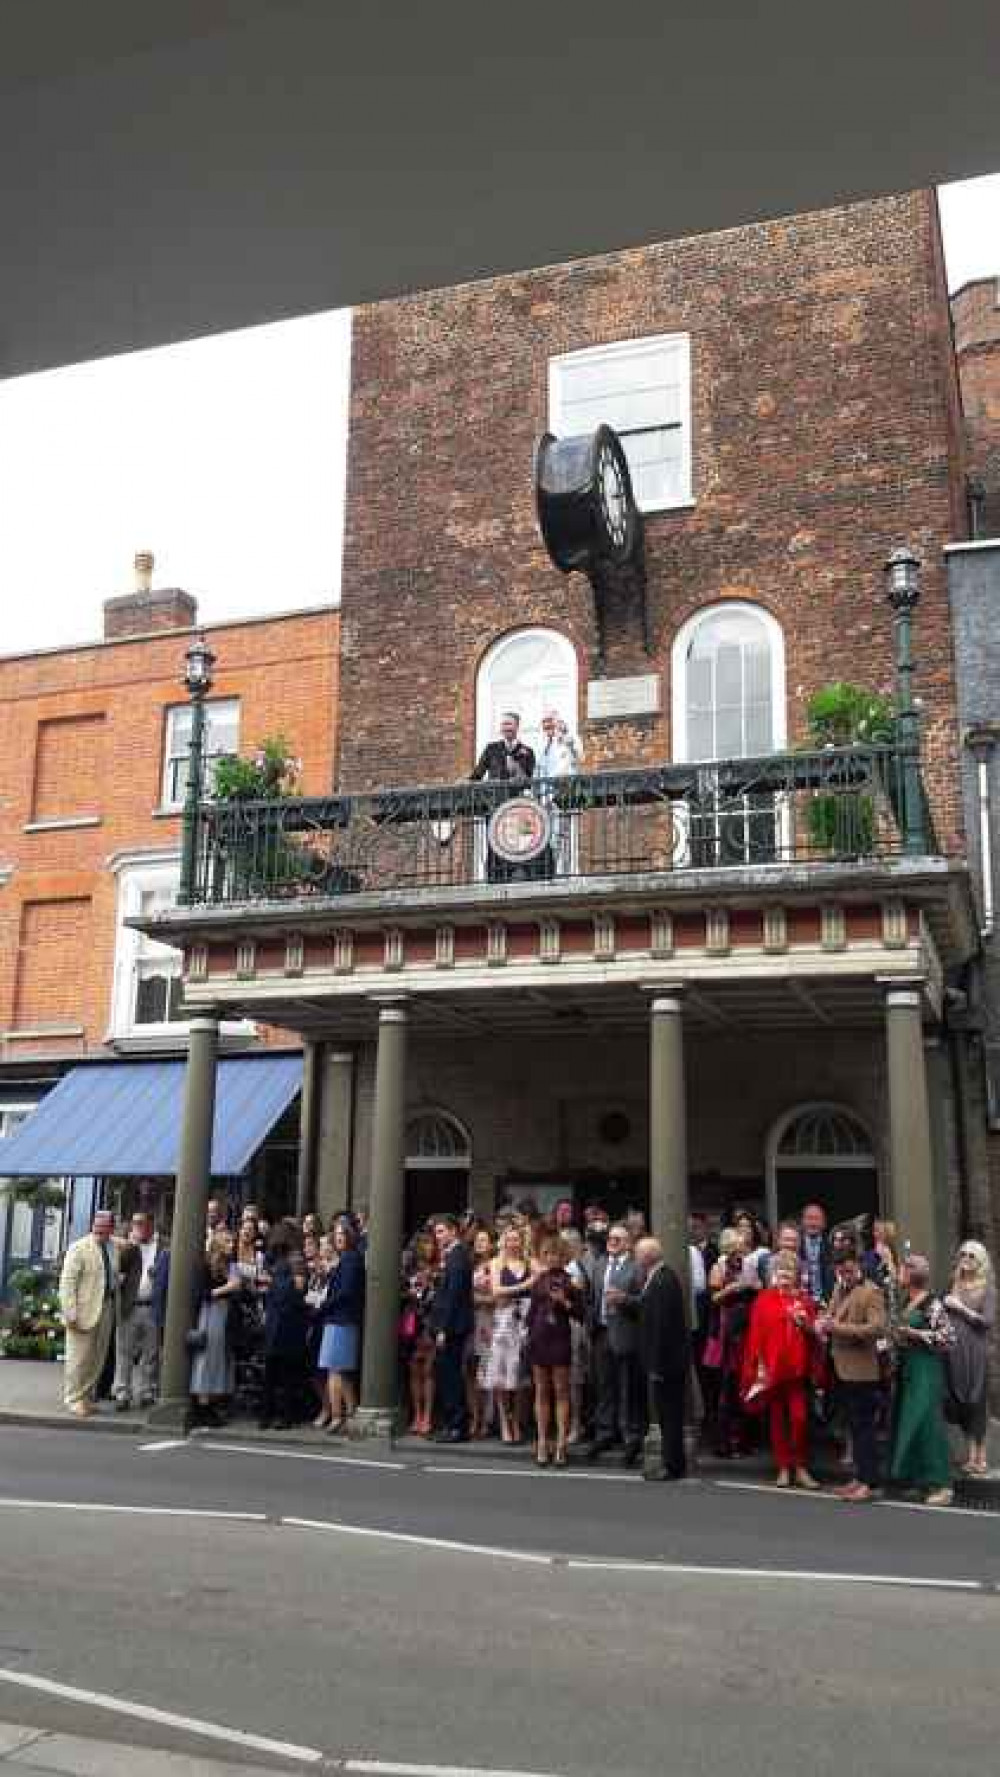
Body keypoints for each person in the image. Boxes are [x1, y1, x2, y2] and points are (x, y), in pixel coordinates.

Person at [817, 1234, 887, 1502]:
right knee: (855, 1428)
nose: (845, 1274)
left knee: (865, 1428)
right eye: (840, 1270)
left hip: (862, 1370)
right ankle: (859, 1478)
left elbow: (876, 1328)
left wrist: (838, 1328)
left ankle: (869, 1483)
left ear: (857, 1266)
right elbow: (832, 1315)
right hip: (842, 1366)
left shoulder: (871, 1291)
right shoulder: (839, 1289)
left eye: (849, 1269)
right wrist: (823, 1322)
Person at [743, 1250, 820, 1489]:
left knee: (798, 1418)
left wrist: (805, 1323)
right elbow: (755, 1337)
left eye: (789, 1273)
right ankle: (783, 1467)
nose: (785, 1277)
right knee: (777, 1420)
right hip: (773, 1371)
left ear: (797, 1276)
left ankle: (799, 1465)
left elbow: (815, 1336)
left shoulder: (805, 1301)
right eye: (781, 1272)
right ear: (774, 1275)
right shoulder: (763, 1300)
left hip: (796, 1371)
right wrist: (759, 1366)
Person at [888, 1253, 956, 1506]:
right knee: (911, 1424)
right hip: (909, 1370)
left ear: (911, 1275)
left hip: (927, 1370)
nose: (898, 1276)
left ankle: (942, 1485)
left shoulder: (931, 1303)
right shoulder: (907, 1300)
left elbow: (948, 1338)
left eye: (901, 1271)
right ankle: (921, 1481)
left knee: (928, 1426)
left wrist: (916, 1334)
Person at [587, 1222, 645, 1465]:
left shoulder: (636, 1268)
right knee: (605, 1385)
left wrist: (625, 1299)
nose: (612, 1241)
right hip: (601, 1332)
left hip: (626, 1332)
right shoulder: (599, 1265)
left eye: (618, 1239)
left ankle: (631, 1436)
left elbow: (644, 1300)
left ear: (629, 1244)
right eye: (610, 1237)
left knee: (628, 1387)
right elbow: (591, 1297)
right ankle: (605, 1432)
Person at [633, 1237, 689, 1481]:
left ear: (648, 1256)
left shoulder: (663, 1280)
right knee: (667, 1415)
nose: (636, 1257)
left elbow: (661, 1327)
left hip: (667, 1363)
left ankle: (673, 1465)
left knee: (669, 1416)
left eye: (638, 1253)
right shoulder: (657, 1278)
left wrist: (655, 1365)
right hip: (666, 1361)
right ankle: (671, 1462)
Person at [525, 1235, 581, 1465]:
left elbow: (581, 1313)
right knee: (541, 1390)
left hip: (559, 1338)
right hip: (538, 1338)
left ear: (563, 1256)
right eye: (546, 1254)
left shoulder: (571, 1281)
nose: (550, 1258)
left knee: (561, 1391)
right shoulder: (538, 1280)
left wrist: (564, 1302)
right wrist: (527, 1334)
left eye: (555, 1254)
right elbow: (532, 1312)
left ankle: (560, 1444)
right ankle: (541, 1441)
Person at [58, 1210, 119, 1418]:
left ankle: (85, 1396)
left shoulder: (113, 1247)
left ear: (112, 1228)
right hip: (83, 1310)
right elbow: (67, 1281)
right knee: (79, 1357)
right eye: (96, 1225)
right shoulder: (78, 1247)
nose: (99, 1229)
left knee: (98, 1356)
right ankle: (73, 1398)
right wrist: (70, 1312)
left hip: (107, 1307)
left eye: (104, 1226)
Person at [943, 1239, 996, 1476]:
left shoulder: (988, 1289)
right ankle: (969, 1454)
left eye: (971, 1255)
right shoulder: (955, 1282)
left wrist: (960, 1308)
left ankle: (981, 1456)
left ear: (981, 1261)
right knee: (960, 1401)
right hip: (955, 1351)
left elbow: (987, 1322)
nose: (965, 1258)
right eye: (962, 1253)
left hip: (975, 1352)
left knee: (977, 1402)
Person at [706, 1227, 756, 1458]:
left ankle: (742, 1441)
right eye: (735, 1248)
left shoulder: (747, 1266)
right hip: (726, 1331)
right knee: (726, 1389)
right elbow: (713, 1298)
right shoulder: (718, 1267)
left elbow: (758, 1287)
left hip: (745, 1328)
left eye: (742, 1248)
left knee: (742, 1386)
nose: (739, 1252)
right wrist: (732, 1288)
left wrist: (752, 1286)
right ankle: (723, 1442)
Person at [484, 1222, 534, 1443]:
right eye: (510, 1239)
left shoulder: (530, 1262)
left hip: (525, 1321)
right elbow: (496, 1291)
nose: (513, 1243)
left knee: (520, 1373)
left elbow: (542, 1278)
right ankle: (504, 1420)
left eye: (517, 1239)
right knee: (502, 1374)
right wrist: (526, 1286)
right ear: (503, 1241)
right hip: (503, 1323)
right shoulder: (496, 1263)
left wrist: (513, 1293)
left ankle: (517, 1420)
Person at [188, 1233, 243, 1429]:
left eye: (232, 1241)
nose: (232, 1243)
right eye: (227, 1241)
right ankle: (202, 1406)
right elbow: (201, 1294)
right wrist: (227, 1287)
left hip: (227, 1315)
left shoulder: (231, 1266)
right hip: (211, 1314)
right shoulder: (206, 1265)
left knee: (220, 1359)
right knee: (207, 1358)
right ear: (218, 1244)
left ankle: (212, 1402)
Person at [113, 1211, 166, 1412]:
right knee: (124, 1351)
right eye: (135, 1223)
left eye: (142, 1223)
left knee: (151, 1353)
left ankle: (147, 1391)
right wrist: (130, 1245)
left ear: (151, 1225)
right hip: (131, 1305)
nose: (138, 1227)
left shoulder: (164, 1245)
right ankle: (122, 1392)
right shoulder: (127, 1246)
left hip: (153, 1305)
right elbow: (118, 1267)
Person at [318, 1218, 366, 1434]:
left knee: (334, 1370)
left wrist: (323, 1305)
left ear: (349, 1236)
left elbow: (345, 1293)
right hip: (341, 1319)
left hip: (341, 1319)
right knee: (342, 1372)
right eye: (336, 1235)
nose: (338, 1238)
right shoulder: (349, 1259)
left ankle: (338, 1416)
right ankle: (351, 1413)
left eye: (341, 1234)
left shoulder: (350, 1260)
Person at [430, 1214, 475, 1442]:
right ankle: (452, 1423)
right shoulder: (452, 1256)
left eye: (441, 1232)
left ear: (453, 1232)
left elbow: (454, 1298)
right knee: (447, 1374)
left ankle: (457, 1426)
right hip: (450, 1325)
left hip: (453, 1327)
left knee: (451, 1376)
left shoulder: (457, 1257)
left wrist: (443, 1329)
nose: (437, 1237)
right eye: (436, 1232)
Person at [260, 1247, 309, 1429]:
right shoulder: (295, 1283)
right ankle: (286, 1417)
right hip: (290, 1336)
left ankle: (265, 1417)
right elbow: (300, 1304)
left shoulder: (276, 1279)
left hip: (273, 1333)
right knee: (288, 1380)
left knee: (270, 1379)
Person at [401, 1230, 439, 1436]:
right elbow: (400, 1291)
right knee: (414, 1370)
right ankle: (417, 1413)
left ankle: (428, 1416)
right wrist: (411, 1292)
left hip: (430, 1323)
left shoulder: (438, 1269)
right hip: (412, 1321)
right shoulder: (409, 1269)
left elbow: (441, 1297)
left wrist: (430, 1284)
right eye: (425, 1244)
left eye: (431, 1244)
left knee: (429, 1372)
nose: (429, 1247)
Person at [469, 1227, 496, 1438]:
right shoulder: (471, 1264)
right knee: (470, 1373)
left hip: (488, 1321)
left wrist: (475, 1299)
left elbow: (497, 1298)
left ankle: (487, 1419)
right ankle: (474, 1416)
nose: (480, 1243)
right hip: (471, 1321)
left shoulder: (494, 1265)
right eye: (477, 1240)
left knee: (486, 1372)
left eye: (484, 1240)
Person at [471, 711, 535, 785]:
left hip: (518, 795)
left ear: (517, 726)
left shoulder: (528, 752)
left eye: (509, 724)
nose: (506, 728)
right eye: (503, 724)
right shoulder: (491, 749)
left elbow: (530, 778)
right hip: (495, 794)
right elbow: (478, 773)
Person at [799, 1203, 835, 1304]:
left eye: (816, 1219)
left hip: (827, 1302)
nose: (812, 1223)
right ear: (802, 1222)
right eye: (809, 1218)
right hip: (801, 1302)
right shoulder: (796, 1245)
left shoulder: (832, 1247)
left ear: (824, 1223)